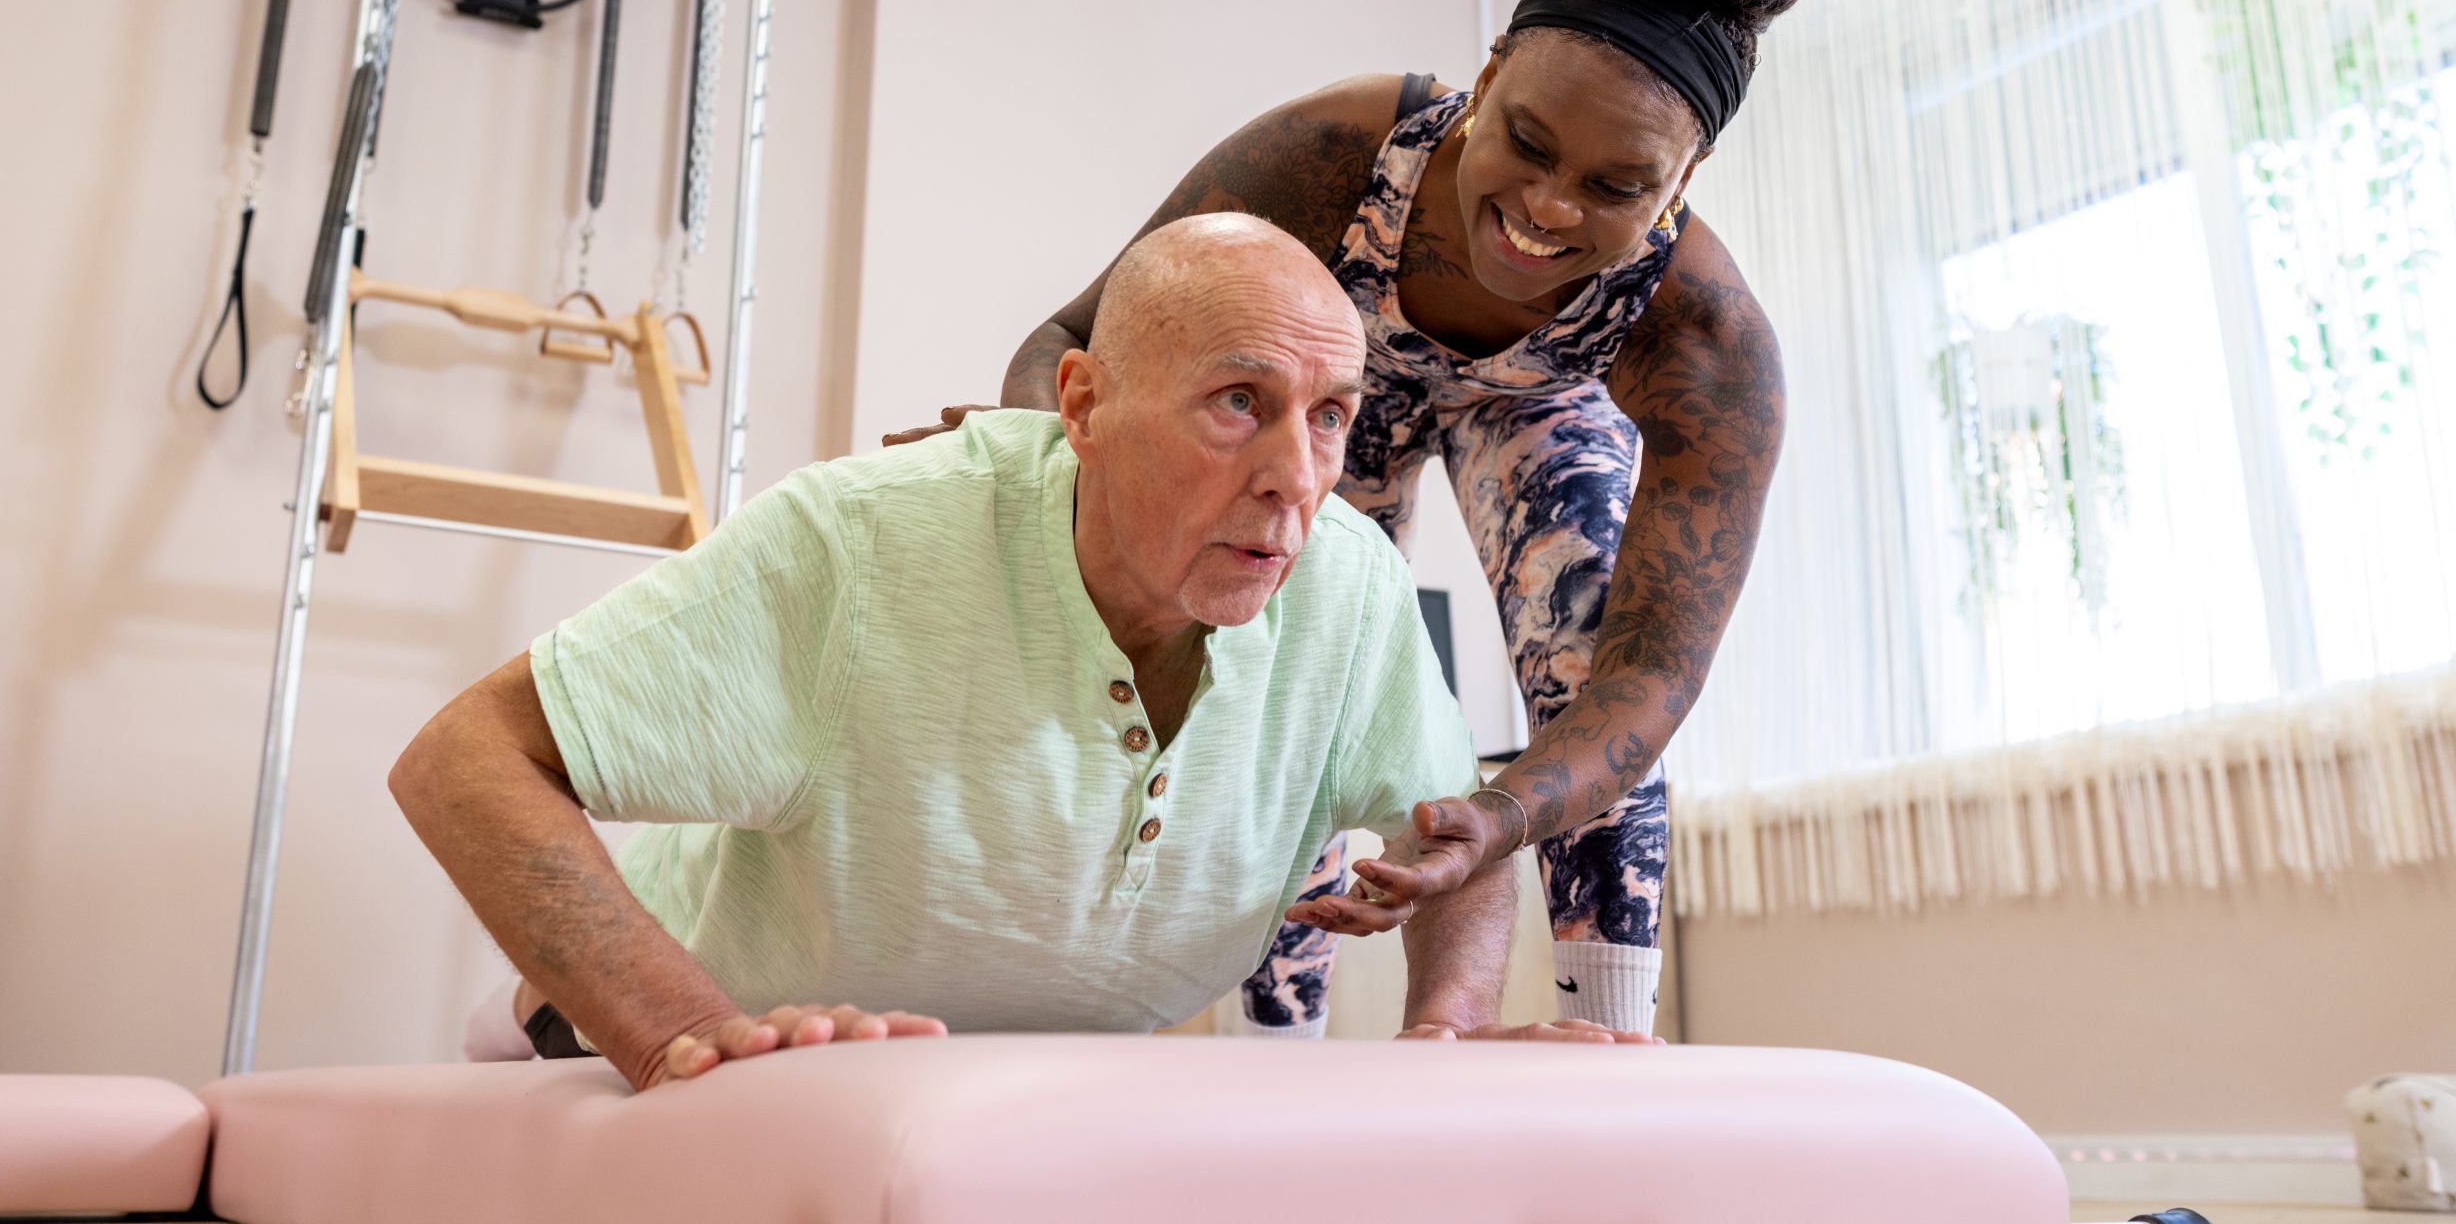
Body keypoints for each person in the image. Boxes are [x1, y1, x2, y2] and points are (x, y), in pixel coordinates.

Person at [887, 0, 1827, 1039]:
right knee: (1280, 670)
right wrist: (1040, 461)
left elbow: (1647, 682)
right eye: (1527, 143)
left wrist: (1493, 816)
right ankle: (1286, 1062)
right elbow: (1073, 344)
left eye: (1612, 187)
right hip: (1325, 396)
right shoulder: (1337, 152)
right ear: (1487, 76)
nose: (1544, 209)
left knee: (1584, 650)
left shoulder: (1704, 334)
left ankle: (1611, 1052)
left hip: (1540, 411)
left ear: (1684, 181)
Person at [394, 214, 1640, 1092]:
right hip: (680, 1044)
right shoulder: (866, 541)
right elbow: (466, 759)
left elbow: (1455, 834)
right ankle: (518, 1029)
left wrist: (1447, 1029)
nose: (1296, 480)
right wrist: (687, 1038)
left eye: (1329, 416)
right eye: (1236, 403)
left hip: (1018, 1086)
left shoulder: (1345, 581)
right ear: (1083, 405)